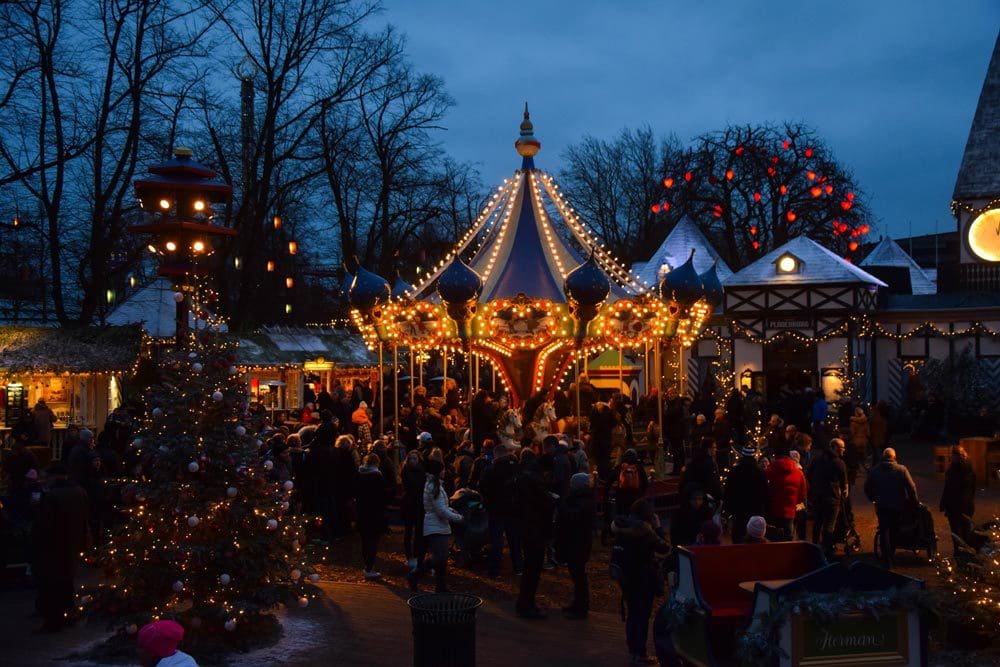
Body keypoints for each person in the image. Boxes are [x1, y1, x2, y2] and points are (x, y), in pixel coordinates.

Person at [612, 499, 670, 665]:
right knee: (642, 615)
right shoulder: (645, 530)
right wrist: (658, 527)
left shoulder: (621, 525)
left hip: (626, 576)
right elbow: (664, 548)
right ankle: (640, 652)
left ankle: (633, 648)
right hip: (643, 577)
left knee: (633, 613)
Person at [32, 463, 89, 632]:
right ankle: (68, 614)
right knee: (66, 581)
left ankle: (53, 620)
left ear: (55, 476)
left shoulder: (51, 496)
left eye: (47, 477)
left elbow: (44, 524)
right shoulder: (79, 491)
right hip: (72, 544)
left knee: (51, 584)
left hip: (52, 546)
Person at [407, 458, 463, 593]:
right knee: (439, 556)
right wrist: (458, 517)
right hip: (435, 525)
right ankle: (415, 575)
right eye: (442, 469)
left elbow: (441, 507)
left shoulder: (434, 485)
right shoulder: (434, 486)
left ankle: (440, 585)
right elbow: (440, 510)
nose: (445, 471)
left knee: (441, 557)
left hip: (437, 525)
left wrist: (450, 511)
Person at [514, 449, 556, 619]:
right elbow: (545, 503)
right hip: (535, 529)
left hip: (526, 527)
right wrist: (552, 499)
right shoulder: (536, 480)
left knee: (529, 568)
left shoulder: (524, 476)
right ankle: (527, 605)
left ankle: (524, 603)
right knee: (533, 568)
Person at [864, 448, 918, 566]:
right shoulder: (902, 470)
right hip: (898, 505)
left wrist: (873, 498)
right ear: (894, 457)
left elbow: (867, 487)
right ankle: (892, 555)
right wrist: (914, 502)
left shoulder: (875, 470)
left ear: (883, 457)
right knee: (895, 529)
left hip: (882, 505)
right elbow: (911, 488)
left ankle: (886, 558)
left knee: (884, 531)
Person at [555, 473, 596, 619]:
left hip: (578, 542)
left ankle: (581, 606)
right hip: (577, 541)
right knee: (577, 574)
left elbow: (572, 516)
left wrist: (561, 504)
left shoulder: (583, 501)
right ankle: (578, 604)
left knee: (579, 575)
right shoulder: (584, 498)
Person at [480, 442, 524, 577]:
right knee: (514, 539)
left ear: (495, 454)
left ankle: (495, 570)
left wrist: (488, 503)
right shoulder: (516, 468)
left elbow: (482, 487)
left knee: (496, 540)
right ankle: (518, 567)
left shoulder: (490, 469)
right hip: (513, 508)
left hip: (496, 509)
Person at [806, 438, 849, 558]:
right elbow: (844, 484)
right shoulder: (839, 463)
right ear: (835, 447)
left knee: (817, 523)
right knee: (829, 526)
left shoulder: (816, 459)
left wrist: (813, 489)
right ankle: (828, 551)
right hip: (832, 499)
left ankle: (814, 547)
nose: (844, 451)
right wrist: (843, 495)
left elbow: (808, 475)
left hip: (817, 497)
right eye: (842, 448)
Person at [723, 444, 768, 543]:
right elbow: (765, 492)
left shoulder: (734, 471)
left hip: (738, 510)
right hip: (755, 510)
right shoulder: (759, 472)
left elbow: (728, 491)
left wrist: (728, 508)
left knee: (738, 535)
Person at [354, 454, 387, 579]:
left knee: (365, 539)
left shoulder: (359, 474)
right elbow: (383, 495)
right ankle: (369, 567)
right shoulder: (377, 476)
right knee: (373, 540)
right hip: (374, 512)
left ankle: (367, 564)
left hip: (362, 510)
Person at [764, 448, 807, 541]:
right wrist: (797, 502)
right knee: (788, 532)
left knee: (774, 533)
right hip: (790, 508)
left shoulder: (771, 469)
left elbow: (764, 486)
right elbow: (803, 491)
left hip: (774, 507)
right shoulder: (798, 472)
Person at [940, 445, 976, 551]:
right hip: (968, 505)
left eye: (951, 455)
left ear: (955, 456)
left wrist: (944, 504)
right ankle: (968, 554)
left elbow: (949, 489)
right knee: (966, 531)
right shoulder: (970, 467)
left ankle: (959, 555)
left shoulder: (953, 470)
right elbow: (973, 488)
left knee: (956, 533)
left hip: (955, 506)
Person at [614, 448, 649, 518]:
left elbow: (610, 480)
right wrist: (642, 494)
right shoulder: (639, 467)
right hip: (637, 497)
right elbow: (646, 483)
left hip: (622, 497)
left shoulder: (619, 467)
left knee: (622, 516)